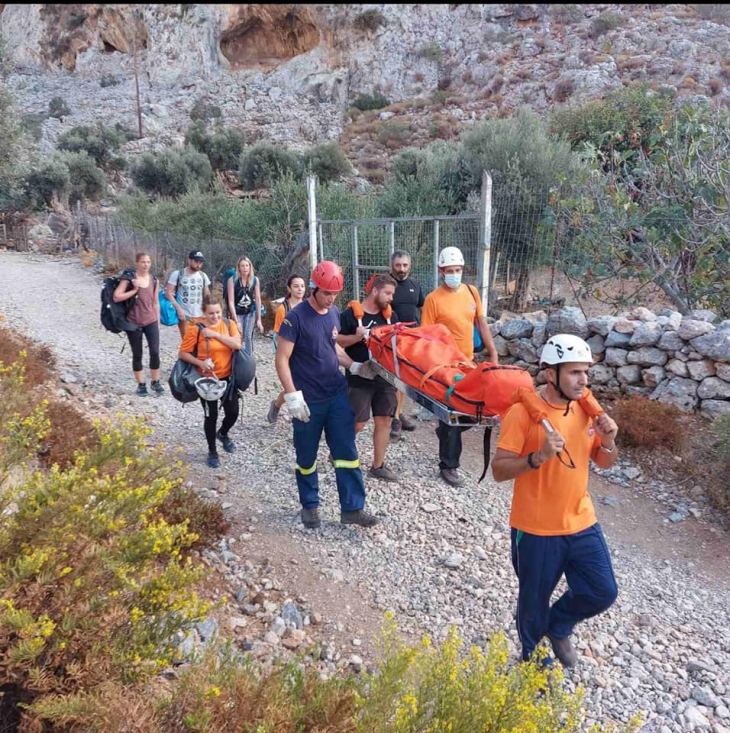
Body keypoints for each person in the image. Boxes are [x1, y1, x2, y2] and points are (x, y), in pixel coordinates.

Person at [491, 334, 620, 669]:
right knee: (532, 602)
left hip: (581, 521)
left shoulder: (587, 410)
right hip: (534, 529)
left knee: (602, 591)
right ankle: (533, 662)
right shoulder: (521, 414)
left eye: (586, 373)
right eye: (575, 372)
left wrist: (608, 442)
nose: (583, 380)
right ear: (551, 374)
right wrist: (538, 457)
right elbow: (499, 470)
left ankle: (559, 626)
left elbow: (604, 462)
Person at [275, 260, 380, 530]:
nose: (330, 299)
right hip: (309, 400)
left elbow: (332, 347)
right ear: (314, 288)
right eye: (326, 293)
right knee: (306, 456)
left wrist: (354, 366)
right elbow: (282, 359)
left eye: (335, 294)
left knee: (346, 451)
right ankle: (310, 506)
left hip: (336, 395)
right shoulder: (295, 318)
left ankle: (353, 508)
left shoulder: (333, 313)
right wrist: (292, 396)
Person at [421, 246, 498, 487]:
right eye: (449, 270)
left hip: (469, 362)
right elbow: (427, 336)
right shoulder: (433, 299)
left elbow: (481, 323)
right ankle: (449, 465)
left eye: (458, 270)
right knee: (454, 411)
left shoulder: (472, 292)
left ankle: (446, 434)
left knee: (477, 410)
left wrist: (493, 352)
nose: (454, 274)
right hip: (446, 366)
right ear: (440, 271)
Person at [337, 273, 400, 482]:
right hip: (359, 378)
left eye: (392, 294)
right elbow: (336, 343)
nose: (391, 298)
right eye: (388, 293)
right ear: (375, 291)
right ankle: (340, 449)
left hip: (386, 378)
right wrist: (357, 336)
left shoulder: (392, 316)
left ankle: (378, 465)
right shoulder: (348, 315)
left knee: (384, 420)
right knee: (358, 422)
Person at [178, 297, 242, 468]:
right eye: (211, 313)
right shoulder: (195, 329)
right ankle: (212, 451)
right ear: (204, 313)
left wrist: (215, 334)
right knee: (210, 416)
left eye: (218, 313)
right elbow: (183, 353)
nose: (215, 317)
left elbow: (238, 344)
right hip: (206, 380)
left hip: (228, 378)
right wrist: (200, 363)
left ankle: (223, 433)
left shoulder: (229, 325)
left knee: (233, 412)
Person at [113, 252, 163, 397]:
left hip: (151, 320)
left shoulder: (154, 279)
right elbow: (117, 297)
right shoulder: (129, 278)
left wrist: (158, 322)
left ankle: (155, 381)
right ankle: (141, 384)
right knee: (137, 353)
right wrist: (135, 290)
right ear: (137, 263)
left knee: (155, 351)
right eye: (143, 262)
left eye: (148, 262)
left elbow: (155, 302)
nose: (146, 264)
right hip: (133, 321)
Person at [389, 250, 425, 440]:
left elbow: (421, 307)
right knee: (395, 380)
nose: (401, 269)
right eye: (398, 265)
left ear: (409, 266)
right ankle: (394, 419)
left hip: (411, 340)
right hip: (391, 340)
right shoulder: (386, 285)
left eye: (404, 265)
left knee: (405, 380)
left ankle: (398, 413)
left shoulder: (415, 285)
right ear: (391, 266)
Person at [267, 274, 307, 423]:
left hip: (303, 351)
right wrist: (282, 357)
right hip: (288, 352)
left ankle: (280, 406)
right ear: (289, 288)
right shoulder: (283, 309)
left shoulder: (308, 306)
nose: (300, 289)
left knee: (301, 384)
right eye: (296, 286)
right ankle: (286, 409)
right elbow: (278, 335)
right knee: (293, 383)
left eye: (302, 286)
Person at [165, 250, 211, 339]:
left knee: (201, 341)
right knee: (187, 342)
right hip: (185, 315)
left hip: (200, 315)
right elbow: (168, 293)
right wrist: (178, 309)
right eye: (196, 261)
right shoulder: (178, 274)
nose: (198, 264)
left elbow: (207, 294)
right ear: (189, 260)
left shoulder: (203, 275)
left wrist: (208, 310)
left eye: (200, 262)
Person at [226, 256, 263, 357]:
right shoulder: (232, 280)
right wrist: (236, 320)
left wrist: (259, 319)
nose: (245, 268)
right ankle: (236, 358)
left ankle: (249, 358)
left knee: (248, 336)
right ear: (239, 267)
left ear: (250, 267)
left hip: (250, 312)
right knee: (238, 335)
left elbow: (258, 299)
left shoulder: (254, 280)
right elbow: (231, 301)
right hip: (237, 312)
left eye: (247, 265)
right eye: (242, 266)